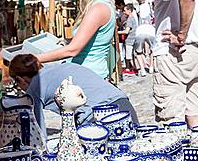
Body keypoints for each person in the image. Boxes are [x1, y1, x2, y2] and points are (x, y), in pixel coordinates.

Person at [7, 53, 137, 131]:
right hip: (124, 105)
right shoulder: (64, 66)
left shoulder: (36, 84)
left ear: (20, 79)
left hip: (98, 116)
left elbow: (37, 130)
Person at [36, 0, 116, 80]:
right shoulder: (103, 2)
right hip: (90, 73)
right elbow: (93, 40)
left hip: (89, 76)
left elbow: (73, 50)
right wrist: (68, 40)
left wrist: (34, 58)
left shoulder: (98, 8)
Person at [118, 4, 138, 76]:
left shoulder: (130, 19)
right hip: (133, 38)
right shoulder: (132, 17)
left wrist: (117, 32)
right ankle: (132, 67)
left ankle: (128, 68)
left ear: (129, 11)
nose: (123, 12)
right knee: (131, 54)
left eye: (125, 10)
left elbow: (126, 31)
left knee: (128, 55)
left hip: (130, 39)